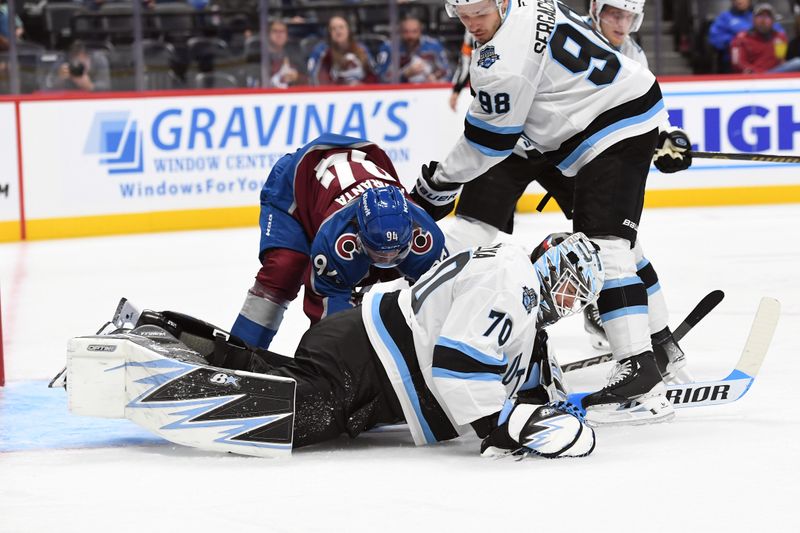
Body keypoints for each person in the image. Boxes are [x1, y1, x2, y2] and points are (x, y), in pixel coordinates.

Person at [70, 233, 604, 457]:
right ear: (549, 263)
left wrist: (552, 405)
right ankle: (151, 363)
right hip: (372, 359)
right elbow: (459, 369)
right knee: (297, 411)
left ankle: (158, 327)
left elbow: (532, 379)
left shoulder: (517, 284)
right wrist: (499, 430)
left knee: (275, 378)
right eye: (569, 283)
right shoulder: (515, 291)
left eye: (579, 296)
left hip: (363, 344)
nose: (570, 299)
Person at [410, 0, 689, 426]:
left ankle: (643, 367)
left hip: (588, 132)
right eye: (463, 14)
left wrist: (440, 183)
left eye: (479, 12)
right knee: (605, 241)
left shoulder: (503, 62)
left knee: (607, 243)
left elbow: (487, 144)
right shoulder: (524, 11)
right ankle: (655, 348)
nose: (472, 23)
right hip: (561, 135)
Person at [230, 133, 446, 351]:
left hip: (347, 178)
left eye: (395, 253)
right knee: (285, 269)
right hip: (296, 185)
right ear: (357, 233)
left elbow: (440, 305)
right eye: (379, 254)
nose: (386, 259)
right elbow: (329, 324)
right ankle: (240, 352)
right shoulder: (335, 241)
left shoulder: (428, 239)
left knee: (432, 297)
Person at [376, 16, 452, 84]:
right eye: (406, 32)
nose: (410, 36)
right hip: (399, 91)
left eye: (414, 31)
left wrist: (435, 78)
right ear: (400, 32)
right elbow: (381, 77)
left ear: (420, 31)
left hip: (427, 89)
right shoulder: (389, 47)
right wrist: (404, 75)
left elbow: (447, 71)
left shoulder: (433, 46)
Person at [307, 15, 378, 86]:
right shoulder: (322, 51)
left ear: (348, 30)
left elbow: (374, 74)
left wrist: (363, 86)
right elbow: (315, 77)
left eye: (341, 27)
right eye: (333, 28)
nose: (338, 31)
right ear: (329, 33)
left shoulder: (361, 49)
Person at [730, 3, 789, 73]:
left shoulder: (780, 37)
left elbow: (781, 61)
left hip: (776, 75)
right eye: (760, 16)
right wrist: (757, 73)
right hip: (754, 77)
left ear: (773, 21)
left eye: (768, 16)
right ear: (753, 19)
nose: (763, 20)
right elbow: (737, 63)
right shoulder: (741, 39)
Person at [45, 40, 111, 92]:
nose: (78, 68)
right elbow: (46, 88)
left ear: (88, 57)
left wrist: (91, 86)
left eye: (82, 64)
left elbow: (106, 87)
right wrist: (59, 80)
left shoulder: (98, 60)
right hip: (67, 98)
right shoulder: (62, 62)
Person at [448, 30, 477, 111]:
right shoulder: (470, 32)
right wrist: (456, 90)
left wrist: (456, 91)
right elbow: (466, 65)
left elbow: (466, 66)